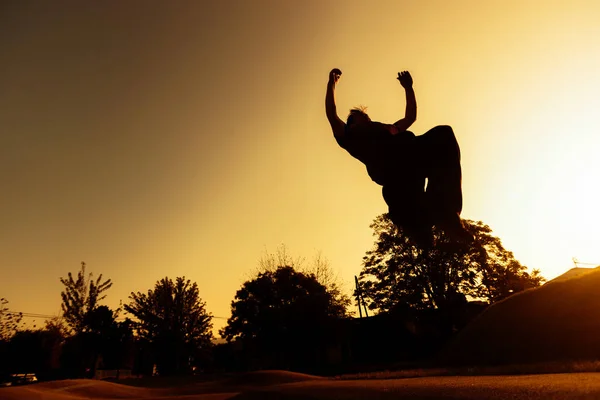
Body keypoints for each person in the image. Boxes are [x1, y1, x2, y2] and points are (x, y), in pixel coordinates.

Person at [325, 68, 470, 249]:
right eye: (351, 121)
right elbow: (331, 113)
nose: (354, 123)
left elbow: (410, 117)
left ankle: (447, 214)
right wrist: (332, 84)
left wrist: (408, 88)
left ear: (368, 120)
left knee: (444, 134)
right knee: (402, 197)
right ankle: (419, 227)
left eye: (358, 119)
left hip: (412, 156)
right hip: (394, 173)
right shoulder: (350, 139)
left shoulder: (385, 129)